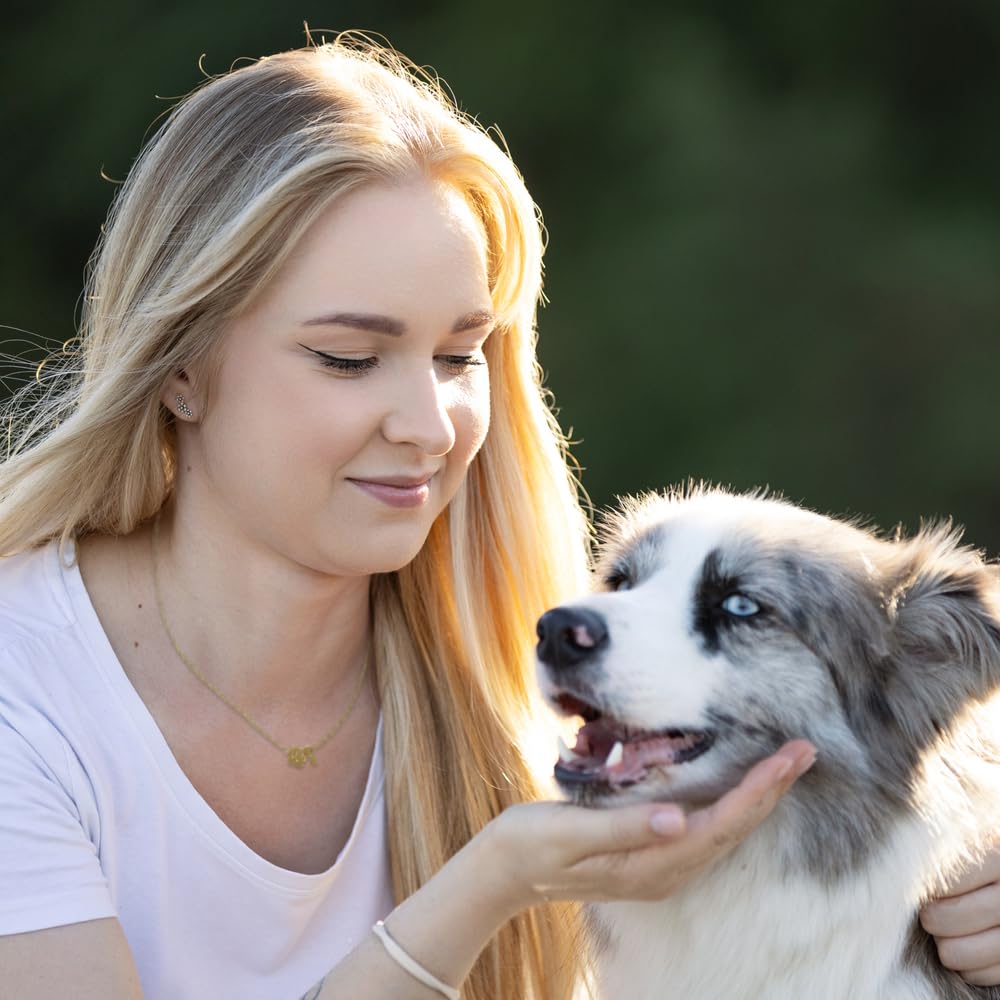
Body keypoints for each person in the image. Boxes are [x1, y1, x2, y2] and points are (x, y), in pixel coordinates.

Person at [4, 31, 981, 1000]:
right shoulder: (26, 690)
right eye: (348, 357)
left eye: (458, 354)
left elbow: (885, 794)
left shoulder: (552, 683)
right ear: (177, 367)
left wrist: (967, 879)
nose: (431, 428)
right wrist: (486, 886)